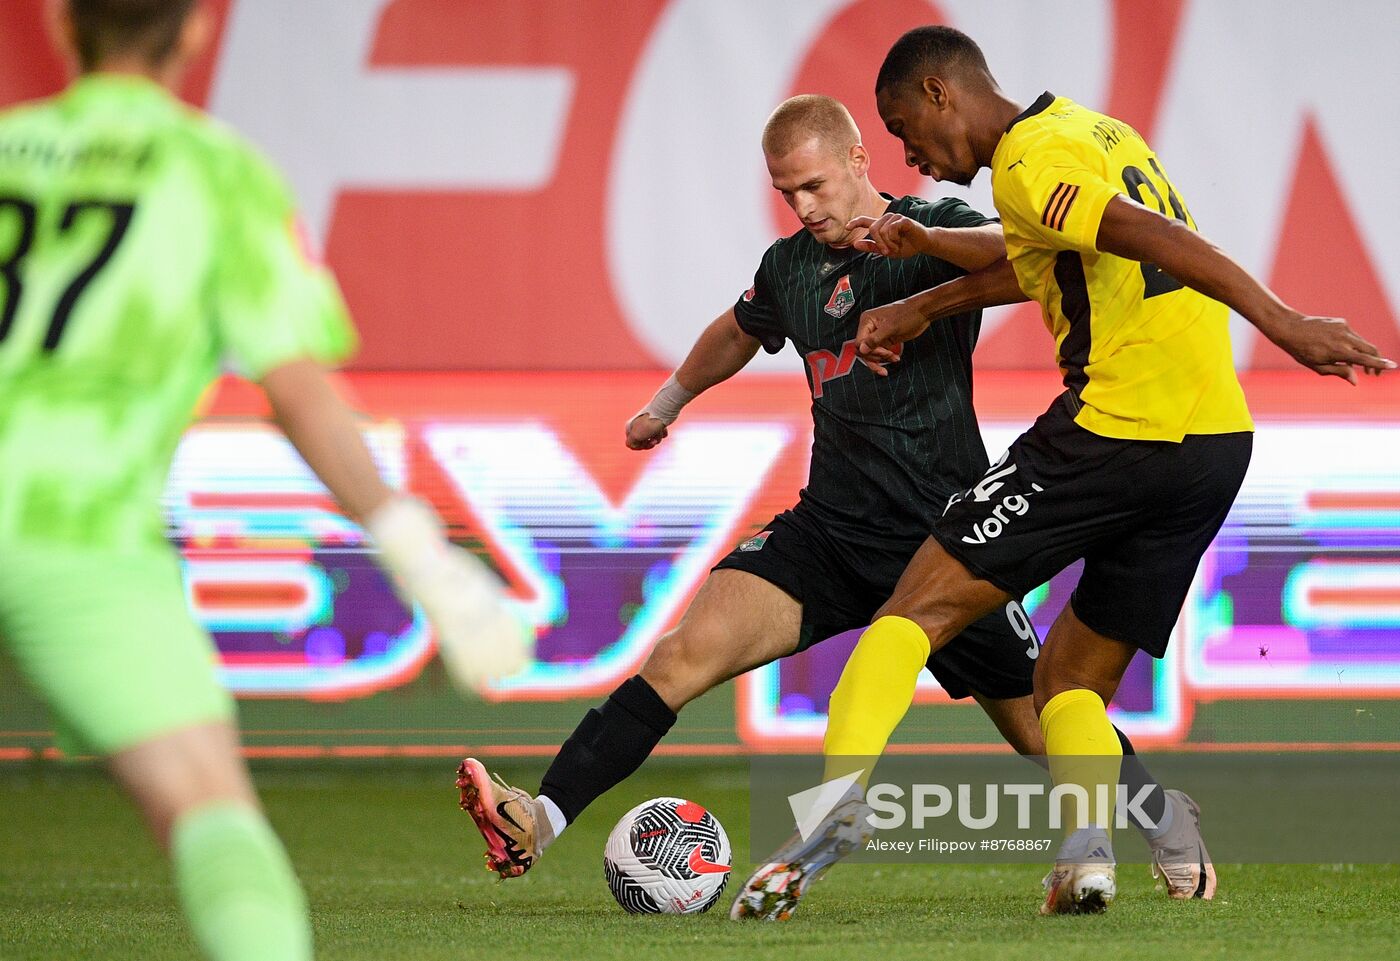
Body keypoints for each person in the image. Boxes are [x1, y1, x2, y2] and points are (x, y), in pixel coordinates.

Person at [454, 94, 1207, 920]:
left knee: (1042, 726)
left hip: (948, 540)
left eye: (813, 184)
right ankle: (540, 816)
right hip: (827, 534)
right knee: (678, 657)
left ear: (857, 160)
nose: (804, 207)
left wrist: (923, 273)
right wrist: (668, 401)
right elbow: (738, 329)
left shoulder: (930, 226)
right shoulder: (789, 268)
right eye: (787, 193)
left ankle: (1166, 822)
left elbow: (1022, 258)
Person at [786, 25, 1395, 917]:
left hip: (1117, 429)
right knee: (1069, 681)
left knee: (914, 606)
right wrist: (925, 299)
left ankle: (831, 816)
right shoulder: (1091, 132)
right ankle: (1093, 855)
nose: (905, 151)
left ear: (938, 91)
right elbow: (1033, 257)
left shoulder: (1028, 161)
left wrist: (1282, 319)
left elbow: (1142, 234)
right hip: (1213, 443)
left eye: (900, 123)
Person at [0, 3, 526, 959]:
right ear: (197, 30)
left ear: (60, 21)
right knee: (209, 810)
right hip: (73, 537)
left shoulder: (8, 145)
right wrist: (425, 558)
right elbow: (296, 394)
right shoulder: (215, 172)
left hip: (72, 534)